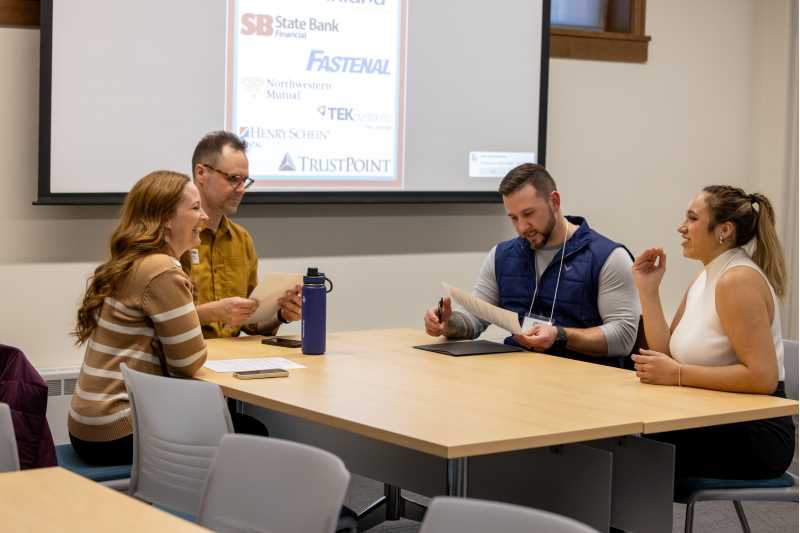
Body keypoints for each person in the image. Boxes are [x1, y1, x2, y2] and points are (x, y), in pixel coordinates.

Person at [631, 185, 795, 482]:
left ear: (724, 230)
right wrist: (648, 291)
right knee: (622, 447)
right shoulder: (707, 274)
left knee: (630, 454)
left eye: (692, 219)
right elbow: (665, 354)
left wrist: (678, 374)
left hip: (754, 432)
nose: (681, 228)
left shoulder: (737, 281)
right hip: (711, 416)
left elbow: (763, 377)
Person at [424, 163, 641, 366]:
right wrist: (448, 323)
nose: (521, 227)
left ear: (554, 201)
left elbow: (624, 337)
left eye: (528, 214)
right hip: (518, 378)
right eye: (513, 218)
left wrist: (560, 336)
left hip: (582, 384)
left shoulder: (608, 257)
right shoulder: (501, 256)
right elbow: (474, 321)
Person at [69, 171, 209, 465]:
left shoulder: (135, 262)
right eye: (195, 208)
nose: (205, 216)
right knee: (249, 431)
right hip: (117, 429)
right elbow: (188, 363)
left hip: (89, 426)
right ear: (166, 218)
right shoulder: (161, 269)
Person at [190, 131, 301, 338]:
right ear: (201, 173)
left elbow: (251, 325)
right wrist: (214, 312)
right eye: (233, 179)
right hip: (184, 360)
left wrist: (281, 314)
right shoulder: (174, 236)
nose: (241, 189)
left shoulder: (241, 240)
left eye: (244, 181)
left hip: (232, 360)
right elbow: (161, 319)